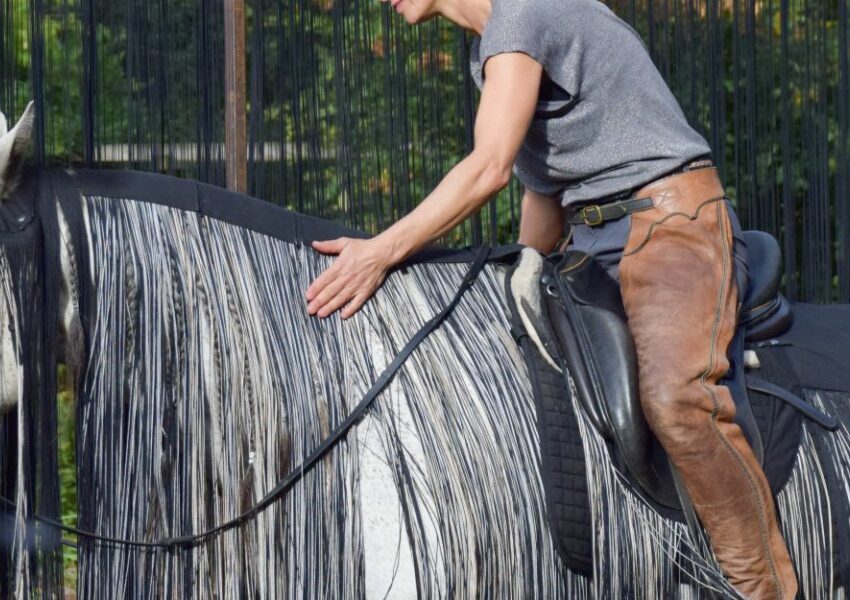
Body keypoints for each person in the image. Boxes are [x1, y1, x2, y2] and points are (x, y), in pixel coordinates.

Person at [300, 0, 799, 596]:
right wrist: (522, 270)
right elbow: (543, 192)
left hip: (669, 223)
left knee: (677, 396)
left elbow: (489, 168)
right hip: (591, 237)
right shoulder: (494, 47)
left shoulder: (522, 14)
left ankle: (764, 586)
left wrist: (381, 250)